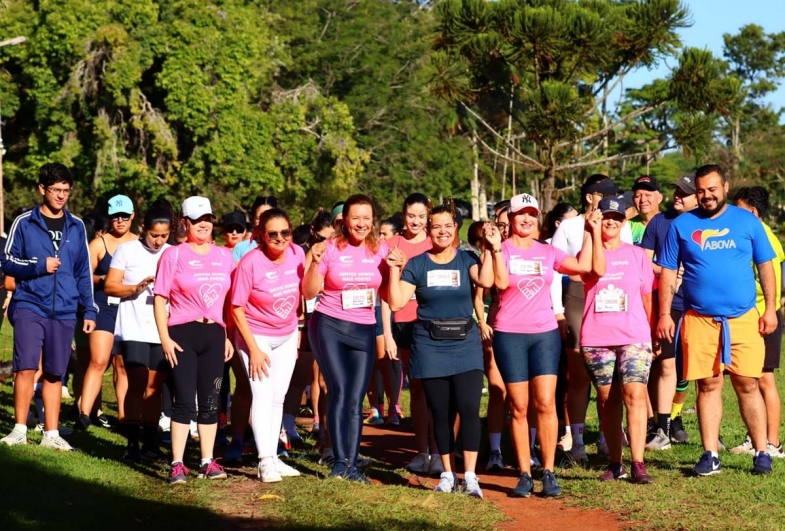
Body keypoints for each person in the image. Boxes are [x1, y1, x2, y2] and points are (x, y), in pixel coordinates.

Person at [657, 164, 778, 476]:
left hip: (743, 319)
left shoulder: (747, 222)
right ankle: (710, 455)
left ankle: (762, 451)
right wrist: (663, 314)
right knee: (707, 385)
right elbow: (669, 270)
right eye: (701, 190)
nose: (706, 195)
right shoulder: (682, 225)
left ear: (725, 186)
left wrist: (770, 309)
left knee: (748, 384)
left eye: (712, 189)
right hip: (699, 319)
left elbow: (765, 264)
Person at [387, 202, 496, 498]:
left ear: (456, 228)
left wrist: (491, 249)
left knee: (470, 410)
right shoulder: (417, 263)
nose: (443, 231)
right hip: (430, 345)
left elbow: (486, 281)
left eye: (448, 226)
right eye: (436, 226)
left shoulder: (467, 258)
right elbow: (397, 302)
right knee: (441, 412)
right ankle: (448, 473)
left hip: (465, 344)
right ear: (428, 230)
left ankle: (471, 476)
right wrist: (395, 271)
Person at [491, 193, 594, 497]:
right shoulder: (502, 248)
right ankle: (524, 472)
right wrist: (495, 249)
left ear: (538, 219)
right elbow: (497, 284)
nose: (526, 219)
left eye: (531, 214)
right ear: (510, 218)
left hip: (544, 334)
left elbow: (582, 266)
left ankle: (547, 471)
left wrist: (589, 232)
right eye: (520, 214)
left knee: (546, 403)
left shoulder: (548, 252)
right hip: (509, 334)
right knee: (520, 406)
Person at [1, 163, 96, 450]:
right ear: (42, 189)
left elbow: (83, 272)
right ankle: (19, 429)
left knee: (55, 372)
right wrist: (39, 265)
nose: (61, 196)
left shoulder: (77, 226)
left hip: (65, 309)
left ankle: (51, 434)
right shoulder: (24, 222)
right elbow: (7, 261)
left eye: (66, 191)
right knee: (26, 366)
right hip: (30, 304)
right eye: (56, 190)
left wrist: (88, 309)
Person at [303, 194, 388, 482]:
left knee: (355, 397)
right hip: (330, 326)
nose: (361, 223)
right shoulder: (328, 248)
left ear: (372, 220)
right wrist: (313, 263)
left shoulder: (380, 250)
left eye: (366, 218)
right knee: (338, 388)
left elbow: (390, 294)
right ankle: (338, 462)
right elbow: (309, 292)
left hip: (364, 327)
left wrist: (397, 267)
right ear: (345, 220)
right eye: (355, 218)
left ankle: (351, 466)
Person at [153, 196, 235, 484]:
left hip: (214, 334)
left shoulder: (225, 255)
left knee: (211, 401)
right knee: (185, 400)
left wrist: (226, 335)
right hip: (182, 333)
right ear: (185, 223)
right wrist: (164, 338)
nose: (204, 225)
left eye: (208, 219)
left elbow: (229, 302)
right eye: (197, 220)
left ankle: (207, 461)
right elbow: (160, 299)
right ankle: (177, 463)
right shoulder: (173, 255)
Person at [551, 174, 630, 462]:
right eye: (604, 194)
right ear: (589, 197)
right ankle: (577, 439)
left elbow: (628, 262)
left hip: (610, 298)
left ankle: (609, 439)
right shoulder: (570, 227)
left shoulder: (621, 223)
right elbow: (553, 269)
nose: (612, 199)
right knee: (579, 374)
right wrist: (557, 311)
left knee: (610, 374)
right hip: (577, 295)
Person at [581, 197, 655, 484]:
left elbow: (647, 297)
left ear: (624, 221)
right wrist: (591, 233)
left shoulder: (637, 256)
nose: (610, 221)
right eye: (605, 216)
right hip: (597, 336)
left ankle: (638, 462)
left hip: (634, 336)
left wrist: (650, 333)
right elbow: (585, 273)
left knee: (635, 394)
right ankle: (615, 462)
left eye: (616, 216)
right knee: (606, 399)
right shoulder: (587, 253)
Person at [231, 208, 305, 482]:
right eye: (272, 233)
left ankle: (273, 456)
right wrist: (253, 349)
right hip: (256, 335)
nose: (279, 238)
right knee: (262, 394)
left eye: (285, 232)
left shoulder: (298, 253)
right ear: (261, 235)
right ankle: (264, 462)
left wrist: (297, 329)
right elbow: (236, 307)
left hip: (286, 334)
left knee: (278, 397)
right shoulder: (250, 262)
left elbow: (303, 294)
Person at [104, 206, 172, 461]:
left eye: (164, 236)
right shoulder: (127, 250)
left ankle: (151, 445)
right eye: (154, 235)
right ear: (144, 229)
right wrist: (136, 287)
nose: (159, 241)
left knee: (155, 388)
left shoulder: (172, 253)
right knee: (137, 383)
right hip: (133, 328)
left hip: (162, 330)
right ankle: (132, 443)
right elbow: (110, 286)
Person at [383, 193, 441, 475]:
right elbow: (384, 294)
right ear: (403, 216)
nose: (415, 221)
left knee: (437, 389)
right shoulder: (391, 245)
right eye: (410, 216)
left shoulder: (436, 242)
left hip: (434, 325)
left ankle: (440, 451)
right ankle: (421, 452)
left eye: (421, 216)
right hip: (404, 323)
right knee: (417, 388)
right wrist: (388, 333)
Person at [640, 173, 698, 449]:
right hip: (669, 305)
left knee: (701, 370)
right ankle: (661, 429)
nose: (678, 196)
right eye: (676, 190)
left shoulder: (705, 222)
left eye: (684, 192)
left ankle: (702, 428)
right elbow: (644, 259)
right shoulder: (659, 222)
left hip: (700, 306)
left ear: (697, 197)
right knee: (665, 363)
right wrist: (668, 272)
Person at [731, 186, 785, 458]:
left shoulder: (765, 239)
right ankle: (756, 438)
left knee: (764, 380)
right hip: (753, 317)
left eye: (738, 209)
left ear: (752, 212)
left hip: (765, 317)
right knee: (751, 379)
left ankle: (772, 443)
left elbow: (771, 284)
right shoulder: (752, 234)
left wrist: (768, 313)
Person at [77, 195, 138, 431]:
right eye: (115, 216)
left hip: (129, 308)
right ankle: (84, 412)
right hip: (103, 306)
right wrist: (104, 279)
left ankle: (124, 417)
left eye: (124, 216)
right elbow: (83, 277)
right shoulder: (98, 244)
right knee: (99, 360)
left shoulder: (139, 243)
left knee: (122, 364)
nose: (120, 220)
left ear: (132, 216)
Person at [232, 196, 278, 261]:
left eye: (268, 217)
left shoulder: (282, 246)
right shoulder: (240, 249)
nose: (264, 221)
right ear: (252, 220)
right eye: (259, 218)